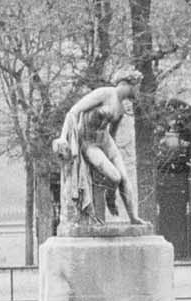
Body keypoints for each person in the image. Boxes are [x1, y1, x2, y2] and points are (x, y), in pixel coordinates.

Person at [55, 69, 144, 227]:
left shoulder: (121, 108)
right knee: (114, 177)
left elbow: (112, 133)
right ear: (128, 84)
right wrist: (63, 137)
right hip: (89, 143)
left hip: (106, 143)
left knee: (124, 179)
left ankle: (133, 218)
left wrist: (112, 153)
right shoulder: (103, 93)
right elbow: (73, 112)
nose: (138, 90)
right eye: (136, 86)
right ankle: (111, 196)